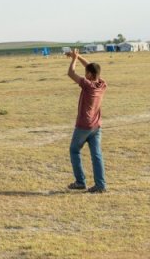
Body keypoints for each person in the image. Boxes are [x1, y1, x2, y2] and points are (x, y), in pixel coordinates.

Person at [65, 49, 107, 193]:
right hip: (96, 126)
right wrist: (78, 56)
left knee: (74, 150)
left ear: (90, 75)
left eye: (86, 72)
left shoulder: (87, 85)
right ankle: (100, 185)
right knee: (97, 155)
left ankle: (80, 181)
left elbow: (70, 73)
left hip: (84, 125)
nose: (85, 74)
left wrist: (74, 60)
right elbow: (90, 67)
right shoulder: (102, 84)